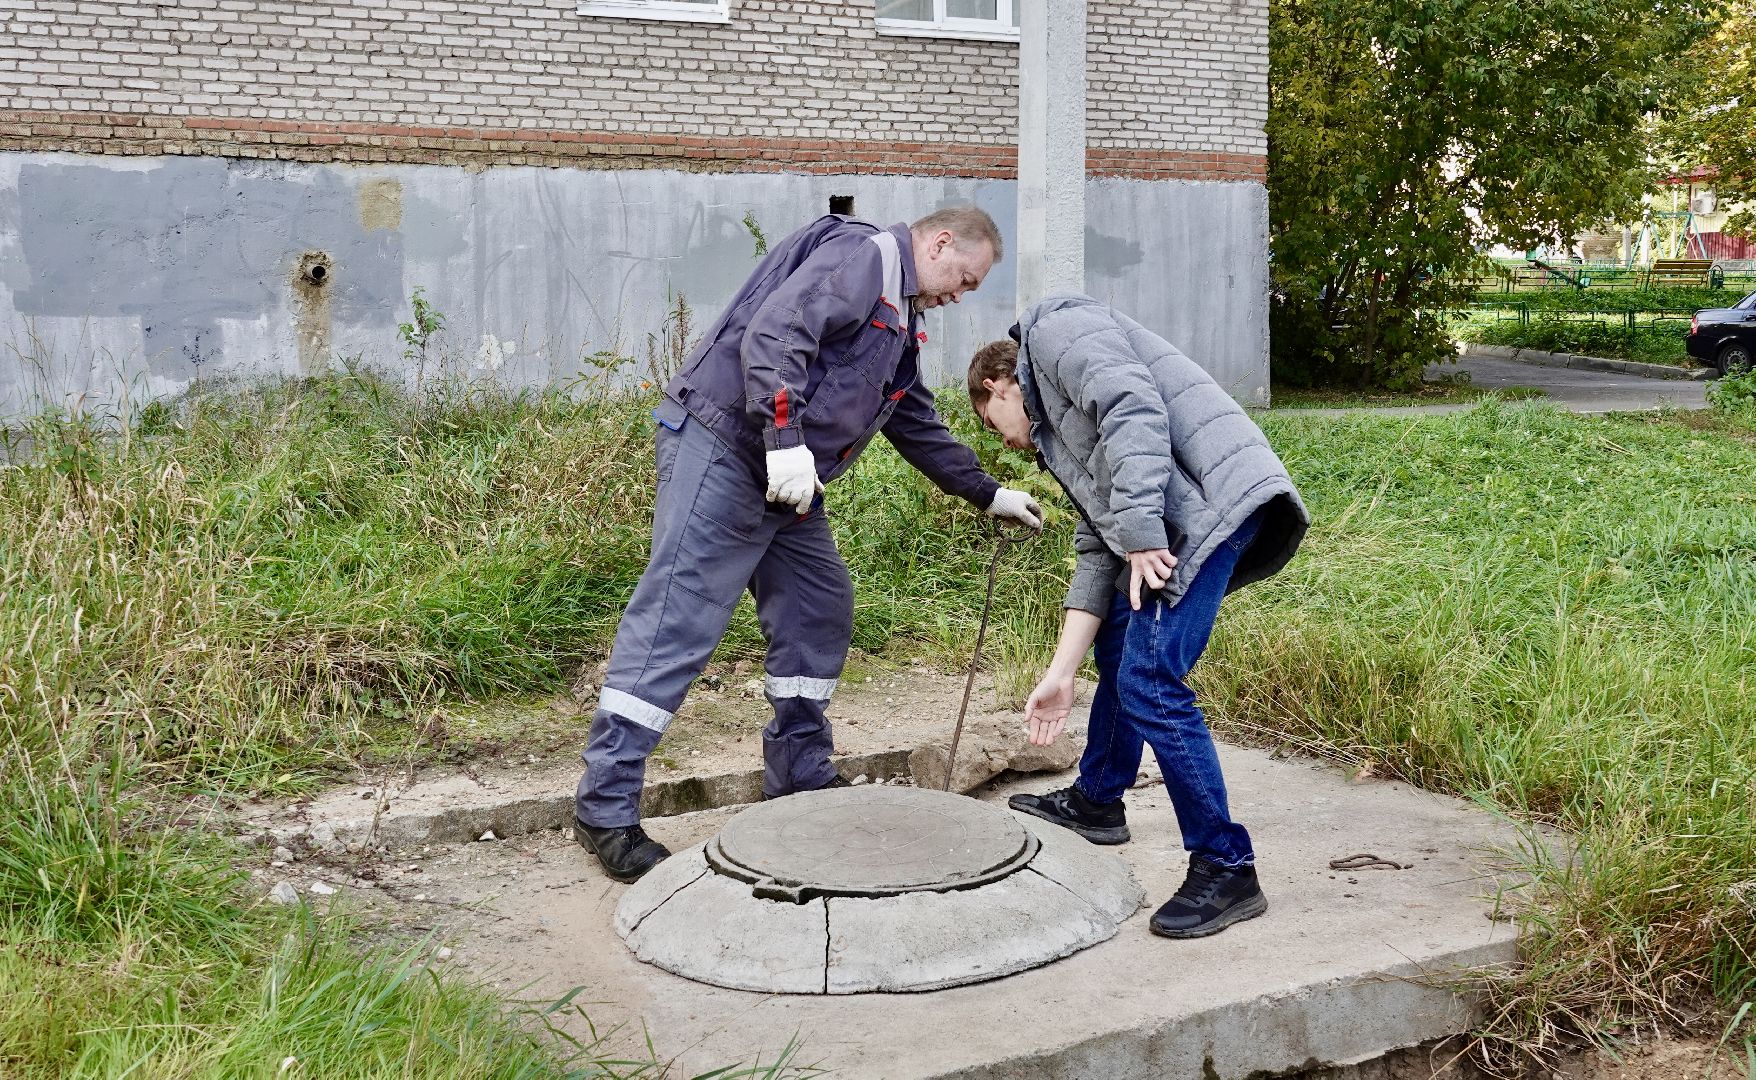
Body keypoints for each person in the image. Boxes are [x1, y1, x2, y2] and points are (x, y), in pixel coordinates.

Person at [574, 207, 1045, 882]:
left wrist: (985, 492)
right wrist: (785, 440)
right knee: (677, 624)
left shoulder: (899, 316)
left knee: (817, 606)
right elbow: (775, 335)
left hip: (783, 477)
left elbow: (911, 416)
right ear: (940, 243)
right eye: (963, 278)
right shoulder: (864, 257)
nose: (959, 296)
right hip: (730, 451)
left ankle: (797, 775)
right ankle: (604, 807)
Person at [967, 294, 1308, 938]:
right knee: (1121, 648)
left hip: (1211, 503)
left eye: (992, 425)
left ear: (997, 387)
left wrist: (1144, 530)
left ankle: (1226, 865)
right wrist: (1060, 672)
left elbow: (1135, 409)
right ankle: (1098, 800)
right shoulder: (1062, 435)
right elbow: (1100, 546)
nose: (1007, 441)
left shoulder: (1055, 332)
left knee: (1151, 678)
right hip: (1183, 509)